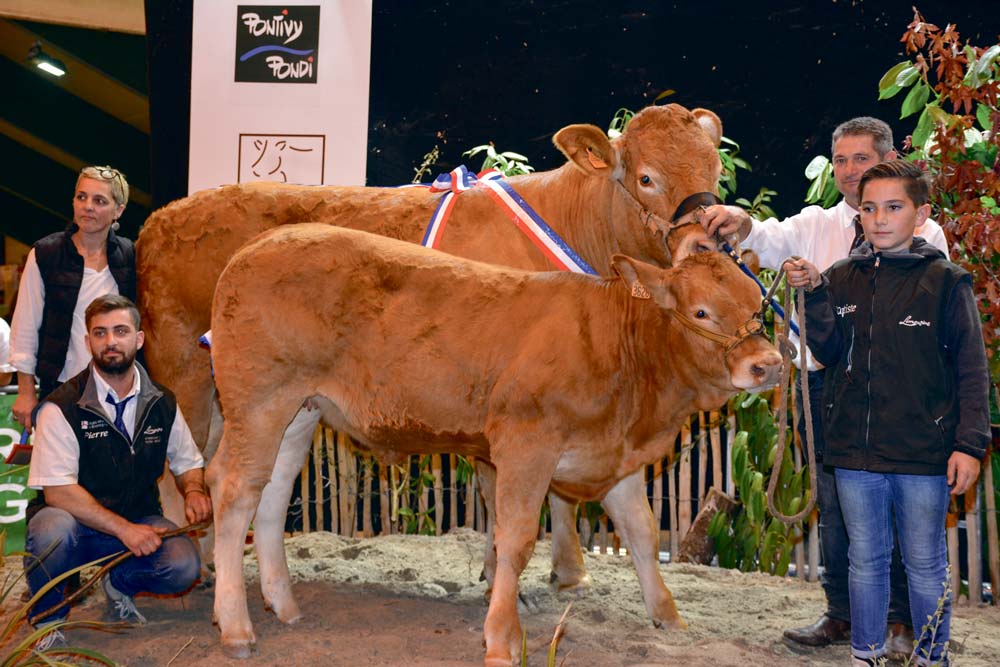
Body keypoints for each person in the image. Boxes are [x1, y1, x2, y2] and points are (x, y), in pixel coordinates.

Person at [700, 117, 950, 656]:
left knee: (901, 509)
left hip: (897, 392)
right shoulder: (814, 223)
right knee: (836, 507)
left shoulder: (926, 233)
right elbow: (765, 237)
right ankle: (842, 614)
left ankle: (902, 623)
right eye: (840, 161)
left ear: (884, 159)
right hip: (825, 387)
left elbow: (932, 320)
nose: (849, 171)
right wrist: (740, 221)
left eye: (861, 159)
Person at [782, 159, 989, 666]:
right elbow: (827, 351)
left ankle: (931, 657)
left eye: (894, 207)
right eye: (869, 208)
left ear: (920, 215)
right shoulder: (840, 277)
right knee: (865, 562)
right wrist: (812, 294)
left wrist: (969, 444)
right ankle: (865, 655)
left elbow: (971, 371)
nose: (879, 218)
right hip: (854, 454)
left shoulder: (947, 282)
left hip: (923, 454)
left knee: (924, 564)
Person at [23, 295, 211, 649]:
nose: (111, 342)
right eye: (100, 333)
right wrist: (125, 530)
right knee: (51, 530)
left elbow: (188, 462)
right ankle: (47, 622)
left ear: (138, 339)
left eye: (121, 331)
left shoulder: (162, 402)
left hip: (137, 519)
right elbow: (58, 492)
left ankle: (117, 585)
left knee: (184, 565)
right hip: (76, 528)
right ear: (88, 341)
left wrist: (195, 491)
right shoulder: (61, 406)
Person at [8, 166, 136, 430]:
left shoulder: (130, 255)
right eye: (81, 197)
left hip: (118, 393)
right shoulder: (45, 253)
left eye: (99, 201)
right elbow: (25, 326)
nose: (87, 206)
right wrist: (26, 391)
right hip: (61, 389)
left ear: (118, 211)